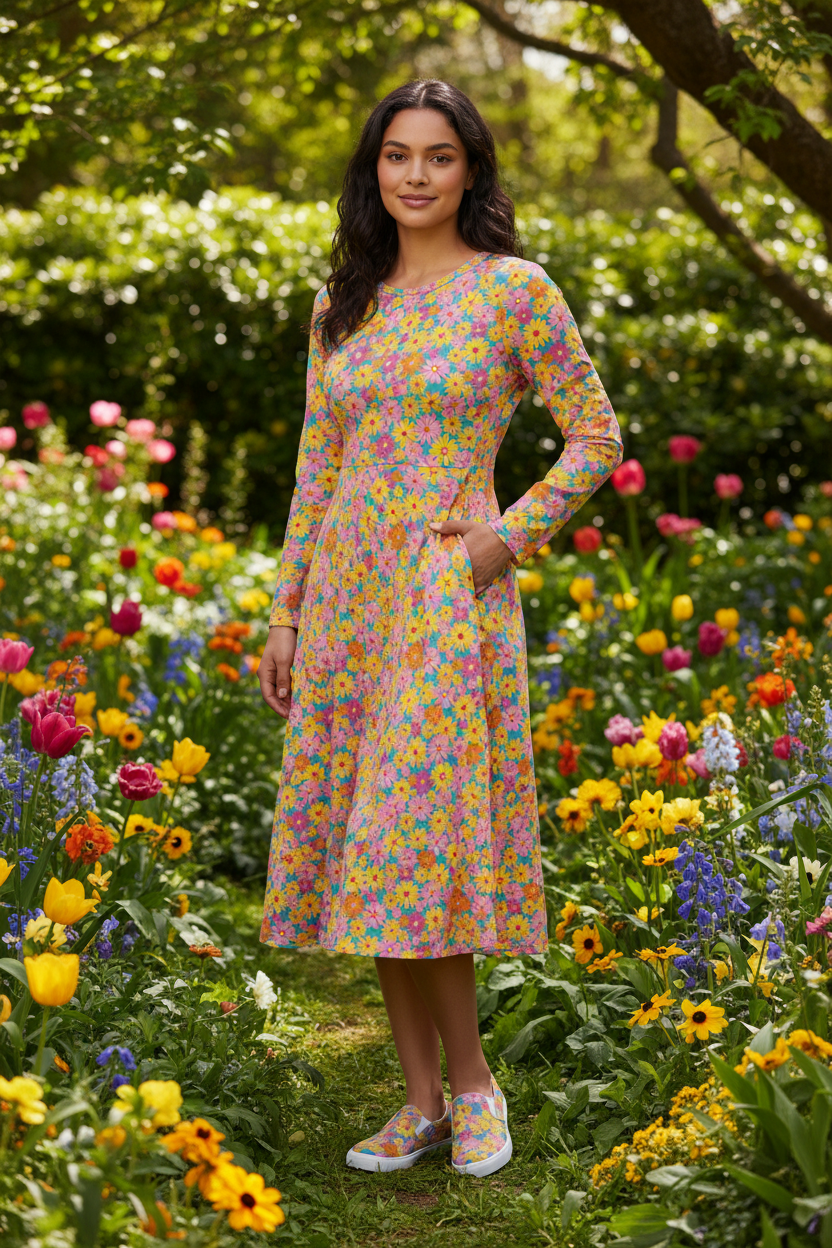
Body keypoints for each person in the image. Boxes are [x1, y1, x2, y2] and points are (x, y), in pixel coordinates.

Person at [258, 78, 623, 1179]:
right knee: (369, 845)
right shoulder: (344, 304)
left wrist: (497, 544)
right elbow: (317, 469)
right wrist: (285, 613)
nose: (414, 175)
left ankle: (475, 1087)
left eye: (438, 157)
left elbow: (595, 438)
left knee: (417, 835)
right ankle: (416, 1100)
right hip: (344, 604)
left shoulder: (512, 292)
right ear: (373, 172)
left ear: (472, 171)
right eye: (395, 157)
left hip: (440, 599)